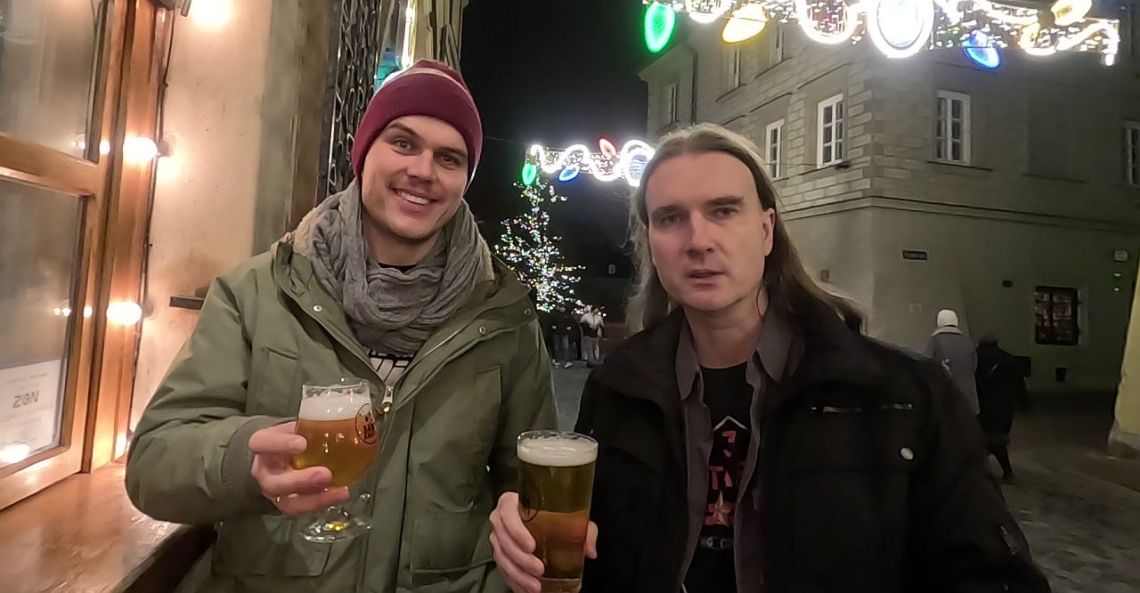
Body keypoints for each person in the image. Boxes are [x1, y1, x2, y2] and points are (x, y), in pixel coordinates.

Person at [488, 124, 1049, 593]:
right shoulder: (618, 388)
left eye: (724, 210)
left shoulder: (902, 395)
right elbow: (599, 563)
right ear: (651, 245)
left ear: (766, 230)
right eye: (671, 217)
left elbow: (994, 577)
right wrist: (529, 548)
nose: (698, 240)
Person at [125, 60, 556, 593]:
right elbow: (153, 464)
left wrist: (521, 519)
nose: (423, 170)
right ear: (363, 151)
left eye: (449, 157)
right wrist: (243, 459)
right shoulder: (258, 293)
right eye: (403, 143)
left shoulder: (502, 316)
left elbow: (530, 478)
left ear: (464, 180)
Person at [976, 334, 1030, 483]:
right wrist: (1025, 403)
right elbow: (1019, 384)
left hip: (982, 404)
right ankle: (1003, 472)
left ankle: (1000, 472)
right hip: (1004, 407)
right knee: (996, 439)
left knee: (987, 439)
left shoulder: (974, 358)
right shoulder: (1009, 359)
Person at [925, 309, 980, 416]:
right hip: (968, 395)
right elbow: (974, 365)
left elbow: (927, 366)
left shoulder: (936, 341)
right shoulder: (967, 341)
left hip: (946, 394)